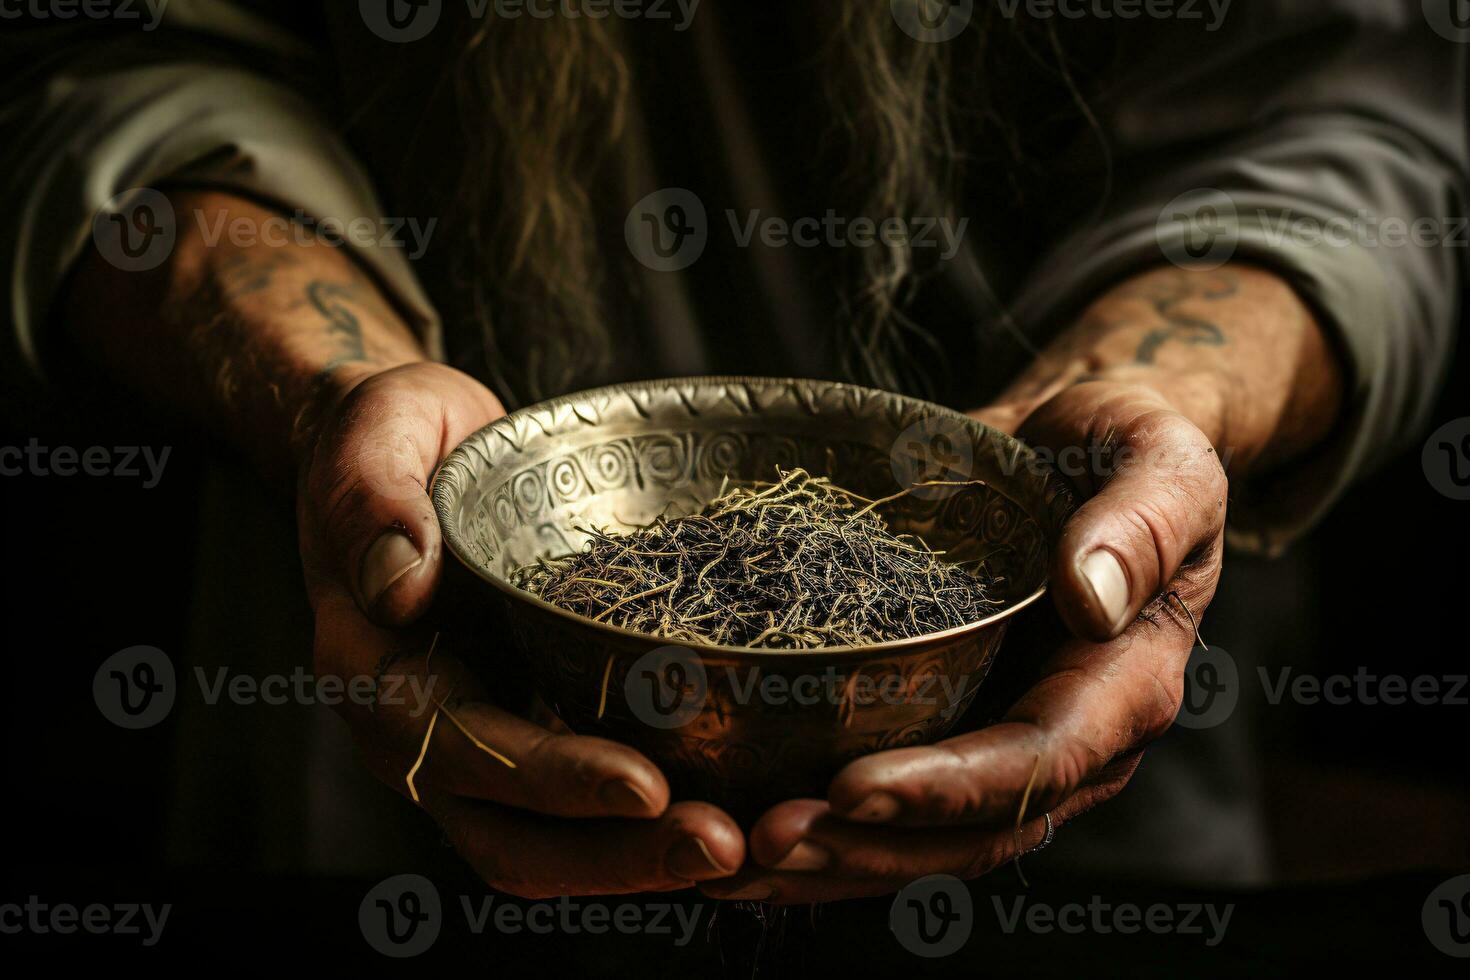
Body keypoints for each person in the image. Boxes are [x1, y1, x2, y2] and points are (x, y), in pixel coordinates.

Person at [2, 2, 1463, 903]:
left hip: (1064, 723)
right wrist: (334, 393)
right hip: (392, 705)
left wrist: (1159, 397)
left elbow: (1359, 109)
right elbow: (100, 53)